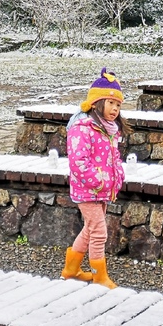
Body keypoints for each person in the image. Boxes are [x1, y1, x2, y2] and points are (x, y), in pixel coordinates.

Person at [61, 68, 128, 289]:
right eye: (111, 103)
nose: (115, 109)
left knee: (90, 229)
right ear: (97, 103)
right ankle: (99, 276)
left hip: (102, 189)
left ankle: (71, 270)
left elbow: (114, 157)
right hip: (88, 190)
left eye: (118, 105)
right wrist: (97, 180)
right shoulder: (83, 128)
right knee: (99, 232)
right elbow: (78, 162)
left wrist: (117, 177)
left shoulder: (109, 130)